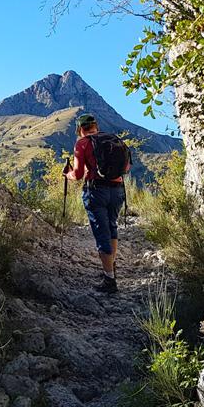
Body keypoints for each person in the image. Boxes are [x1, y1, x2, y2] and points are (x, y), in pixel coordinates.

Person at [64, 114, 129, 293]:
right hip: (117, 190)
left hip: (96, 191)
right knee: (112, 227)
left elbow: (76, 175)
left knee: (102, 234)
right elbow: (126, 168)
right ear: (96, 127)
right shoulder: (114, 140)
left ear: (79, 129)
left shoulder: (82, 144)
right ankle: (111, 268)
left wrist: (67, 174)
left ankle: (109, 279)